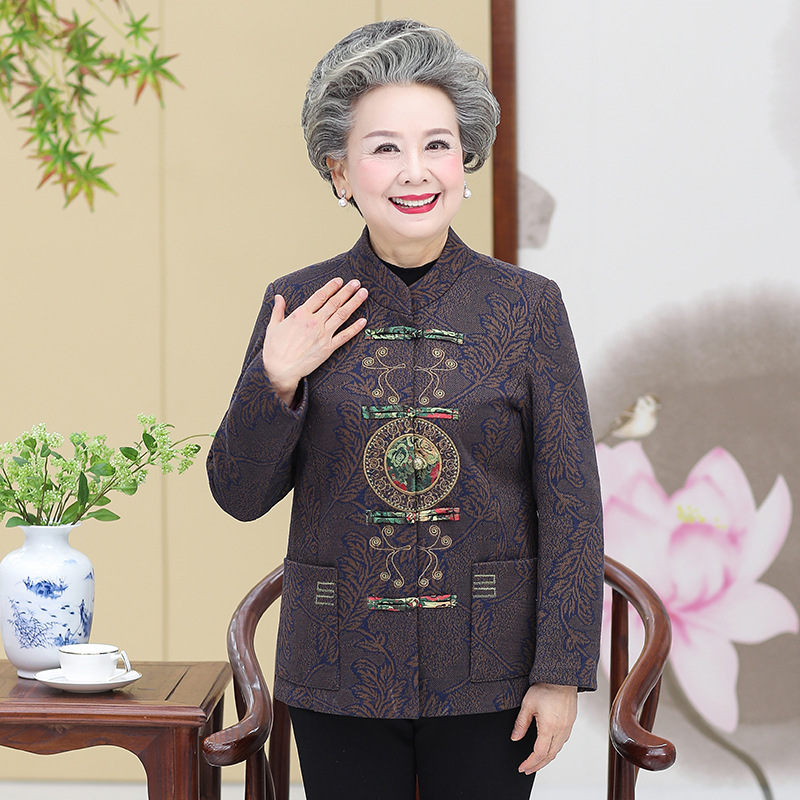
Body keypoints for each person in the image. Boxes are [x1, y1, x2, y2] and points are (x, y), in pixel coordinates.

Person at [208, 19, 603, 800]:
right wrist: (275, 380)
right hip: (339, 662)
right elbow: (238, 494)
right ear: (340, 170)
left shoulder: (526, 307)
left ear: (465, 161)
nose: (415, 171)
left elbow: (572, 504)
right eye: (385, 147)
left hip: (492, 665)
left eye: (437, 145)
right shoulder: (298, 302)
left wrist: (560, 673)